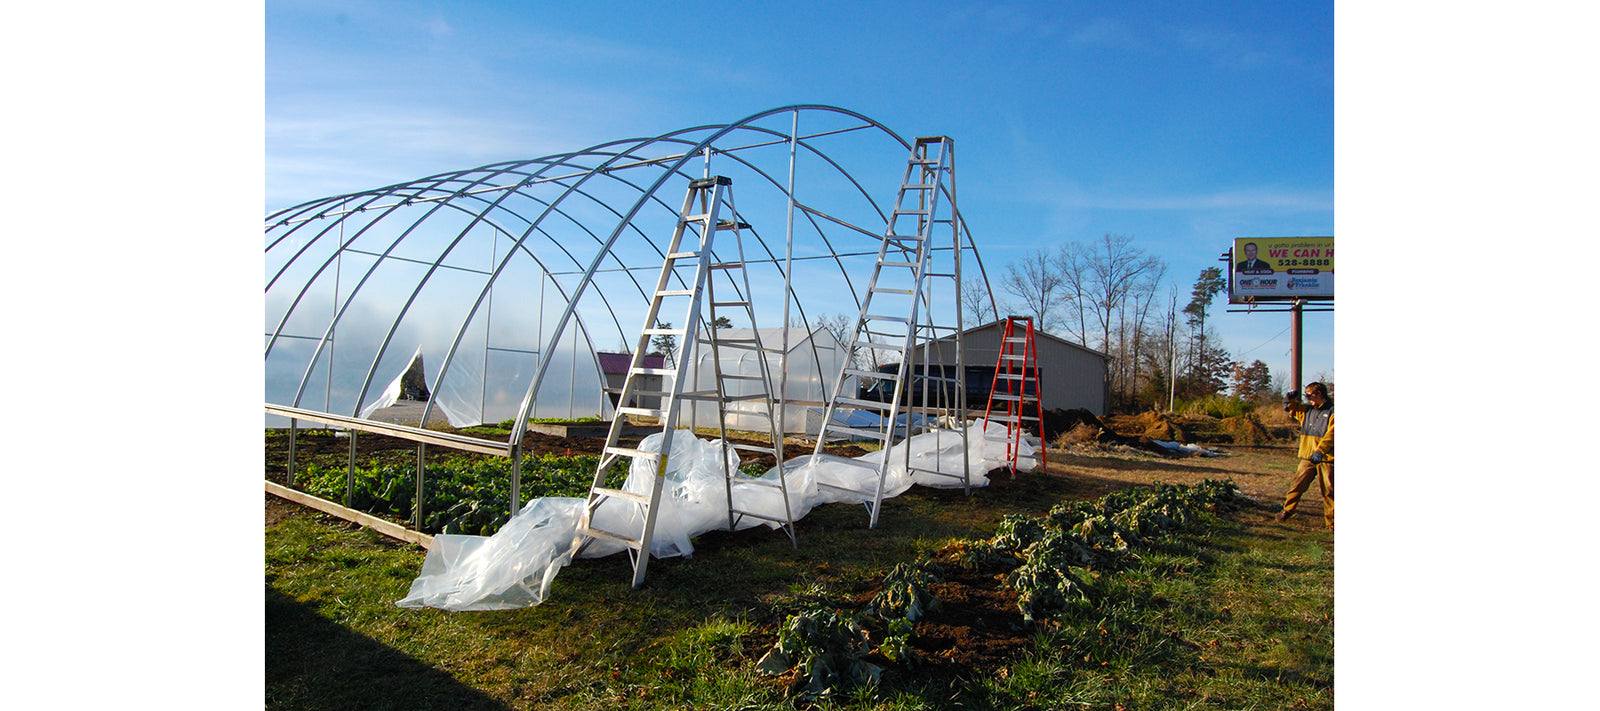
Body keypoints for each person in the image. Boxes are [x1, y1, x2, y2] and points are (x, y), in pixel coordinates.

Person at [1274, 382, 1333, 530]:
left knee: (1329, 491)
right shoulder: (1308, 411)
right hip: (1308, 457)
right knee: (1297, 486)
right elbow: (1291, 409)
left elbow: (1332, 435)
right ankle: (1287, 511)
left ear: (1319, 394)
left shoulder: (1333, 412)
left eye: (1310, 396)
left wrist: (1320, 451)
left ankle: (1333, 524)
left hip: (1326, 459)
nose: (1308, 399)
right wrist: (1288, 399)